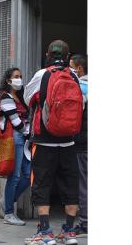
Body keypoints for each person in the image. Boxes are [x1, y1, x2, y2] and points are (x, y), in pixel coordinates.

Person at [23, 40, 82, 245]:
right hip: (68, 141)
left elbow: (28, 98)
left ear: (48, 54)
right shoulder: (74, 76)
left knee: (42, 184)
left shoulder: (43, 75)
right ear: (68, 56)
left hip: (45, 139)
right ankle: (69, 231)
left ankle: (46, 232)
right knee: (70, 185)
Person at [0, 67, 30, 226]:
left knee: (28, 175)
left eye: (20, 76)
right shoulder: (5, 97)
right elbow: (15, 121)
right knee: (14, 176)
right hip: (14, 138)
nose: (19, 79)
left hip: (24, 138)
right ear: (8, 80)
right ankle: (8, 213)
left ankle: (7, 200)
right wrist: (28, 132)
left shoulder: (20, 97)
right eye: (16, 77)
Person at [70, 54, 88, 237]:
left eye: (71, 67)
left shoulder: (81, 87)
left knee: (83, 182)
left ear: (80, 69)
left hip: (82, 141)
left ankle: (85, 222)